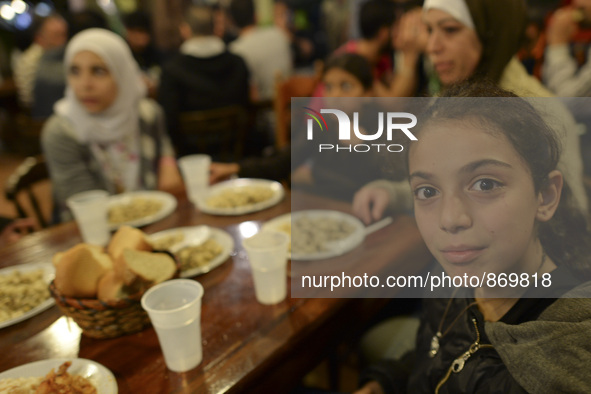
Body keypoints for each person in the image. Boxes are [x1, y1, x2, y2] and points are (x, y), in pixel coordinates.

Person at [354, 82, 591, 394]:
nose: (450, 220)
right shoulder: (452, 277)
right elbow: (437, 355)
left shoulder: (558, 363)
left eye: (485, 185)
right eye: (427, 191)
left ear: (545, 196)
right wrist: (385, 382)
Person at [353, 0, 588, 224]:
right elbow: (443, 185)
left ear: (490, 32)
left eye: (450, 30)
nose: (433, 46)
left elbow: (571, 222)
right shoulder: (447, 103)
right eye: (429, 30)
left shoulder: (542, 115)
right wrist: (392, 193)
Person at [41, 28, 182, 223]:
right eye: (75, 71)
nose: (84, 84)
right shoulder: (61, 131)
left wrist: (168, 161)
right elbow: (85, 208)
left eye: (98, 71)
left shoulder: (147, 114)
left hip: (155, 224)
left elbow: (163, 146)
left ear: (122, 73)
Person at [209, 53, 389, 201]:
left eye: (346, 86)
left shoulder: (381, 127)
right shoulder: (324, 124)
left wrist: (314, 175)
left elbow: (379, 184)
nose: (335, 96)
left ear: (368, 93)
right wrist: (234, 169)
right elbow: (283, 161)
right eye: (329, 87)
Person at [158, 5, 250, 158]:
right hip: (237, 153)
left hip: (190, 159)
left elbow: (169, 123)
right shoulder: (238, 63)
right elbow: (246, 107)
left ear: (185, 30)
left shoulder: (171, 71)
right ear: (214, 28)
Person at [228, 0, 292, 102]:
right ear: (255, 15)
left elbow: (251, 94)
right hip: (292, 109)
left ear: (232, 21)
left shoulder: (235, 50)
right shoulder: (279, 34)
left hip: (264, 112)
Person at [13, 13, 68, 109]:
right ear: (39, 38)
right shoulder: (34, 59)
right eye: (56, 35)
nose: (63, 41)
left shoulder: (54, 56)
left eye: (64, 34)